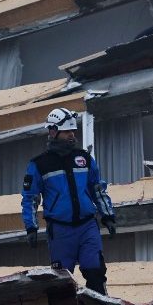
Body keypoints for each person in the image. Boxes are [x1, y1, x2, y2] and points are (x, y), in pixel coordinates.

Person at [21, 108, 117, 295]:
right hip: (60, 231)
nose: (72, 135)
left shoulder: (85, 159)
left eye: (73, 131)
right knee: (61, 282)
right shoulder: (39, 164)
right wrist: (30, 227)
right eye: (67, 131)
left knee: (95, 271)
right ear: (53, 131)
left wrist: (108, 215)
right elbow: (30, 198)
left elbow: (97, 188)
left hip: (87, 226)